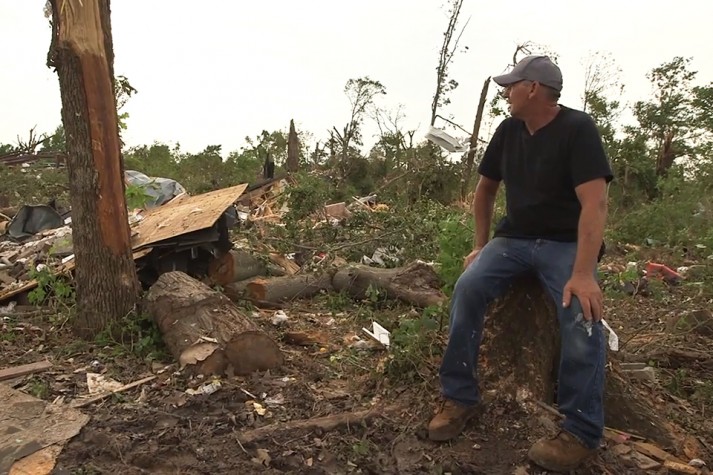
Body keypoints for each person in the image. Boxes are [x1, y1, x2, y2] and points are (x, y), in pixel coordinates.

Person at [427, 55, 613, 472]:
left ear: (533, 89)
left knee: (581, 313)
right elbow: (485, 189)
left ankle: (581, 430)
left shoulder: (577, 129)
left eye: (512, 85)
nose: (506, 93)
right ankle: (459, 397)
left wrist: (583, 274)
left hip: (564, 244)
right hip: (513, 239)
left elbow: (595, 203)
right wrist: (479, 245)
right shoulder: (509, 130)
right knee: (468, 288)